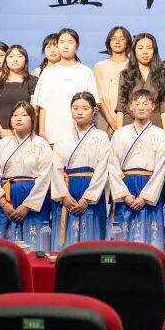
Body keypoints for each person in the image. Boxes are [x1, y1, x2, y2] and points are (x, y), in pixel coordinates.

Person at [0, 101, 55, 243]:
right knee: (3, 246)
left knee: (32, 244)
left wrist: (26, 206)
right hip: (5, 199)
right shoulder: (3, 144)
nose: (18, 118)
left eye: (24, 115)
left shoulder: (41, 144)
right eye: (15, 115)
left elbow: (45, 178)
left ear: (32, 119)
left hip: (32, 201)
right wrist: (4, 203)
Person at [107, 89, 165, 249]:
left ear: (153, 106)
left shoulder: (161, 135)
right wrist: (125, 195)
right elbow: (112, 165)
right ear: (130, 107)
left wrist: (144, 197)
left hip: (149, 186)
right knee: (121, 236)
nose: (141, 107)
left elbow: (161, 169)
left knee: (149, 235)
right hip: (125, 185)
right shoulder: (119, 134)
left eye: (146, 104)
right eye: (137, 104)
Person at [50, 92, 111, 249]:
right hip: (67, 190)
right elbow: (56, 169)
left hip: (90, 192)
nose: (79, 112)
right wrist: (64, 195)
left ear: (94, 111)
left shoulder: (101, 137)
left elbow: (102, 170)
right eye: (75, 108)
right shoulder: (62, 137)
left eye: (85, 108)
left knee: (90, 240)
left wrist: (87, 199)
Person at [31, 28, 99, 148]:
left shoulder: (85, 72)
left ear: (77, 45)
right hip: (51, 135)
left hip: (79, 137)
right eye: (62, 42)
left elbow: (93, 105)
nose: (65, 46)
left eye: (70, 42)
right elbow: (42, 105)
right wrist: (42, 131)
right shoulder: (47, 72)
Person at [0, 45, 38, 152]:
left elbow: (34, 110)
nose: (15, 59)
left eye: (19, 56)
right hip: (0, 133)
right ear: (6, 60)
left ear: (25, 60)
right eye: (11, 56)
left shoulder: (32, 81)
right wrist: (0, 131)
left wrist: (19, 131)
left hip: (24, 134)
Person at [116, 33, 165, 130]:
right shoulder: (126, 74)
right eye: (140, 48)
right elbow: (121, 106)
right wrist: (119, 131)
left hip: (154, 124)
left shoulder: (162, 73)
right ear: (134, 50)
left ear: (154, 50)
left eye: (149, 48)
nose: (145, 52)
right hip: (130, 124)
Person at [92, 26, 131, 133]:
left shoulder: (133, 66)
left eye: (122, 39)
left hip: (129, 121)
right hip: (104, 121)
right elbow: (98, 96)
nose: (117, 42)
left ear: (128, 42)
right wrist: (111, 121)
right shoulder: (99, 67)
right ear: (109, 42)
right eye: (113, 39)